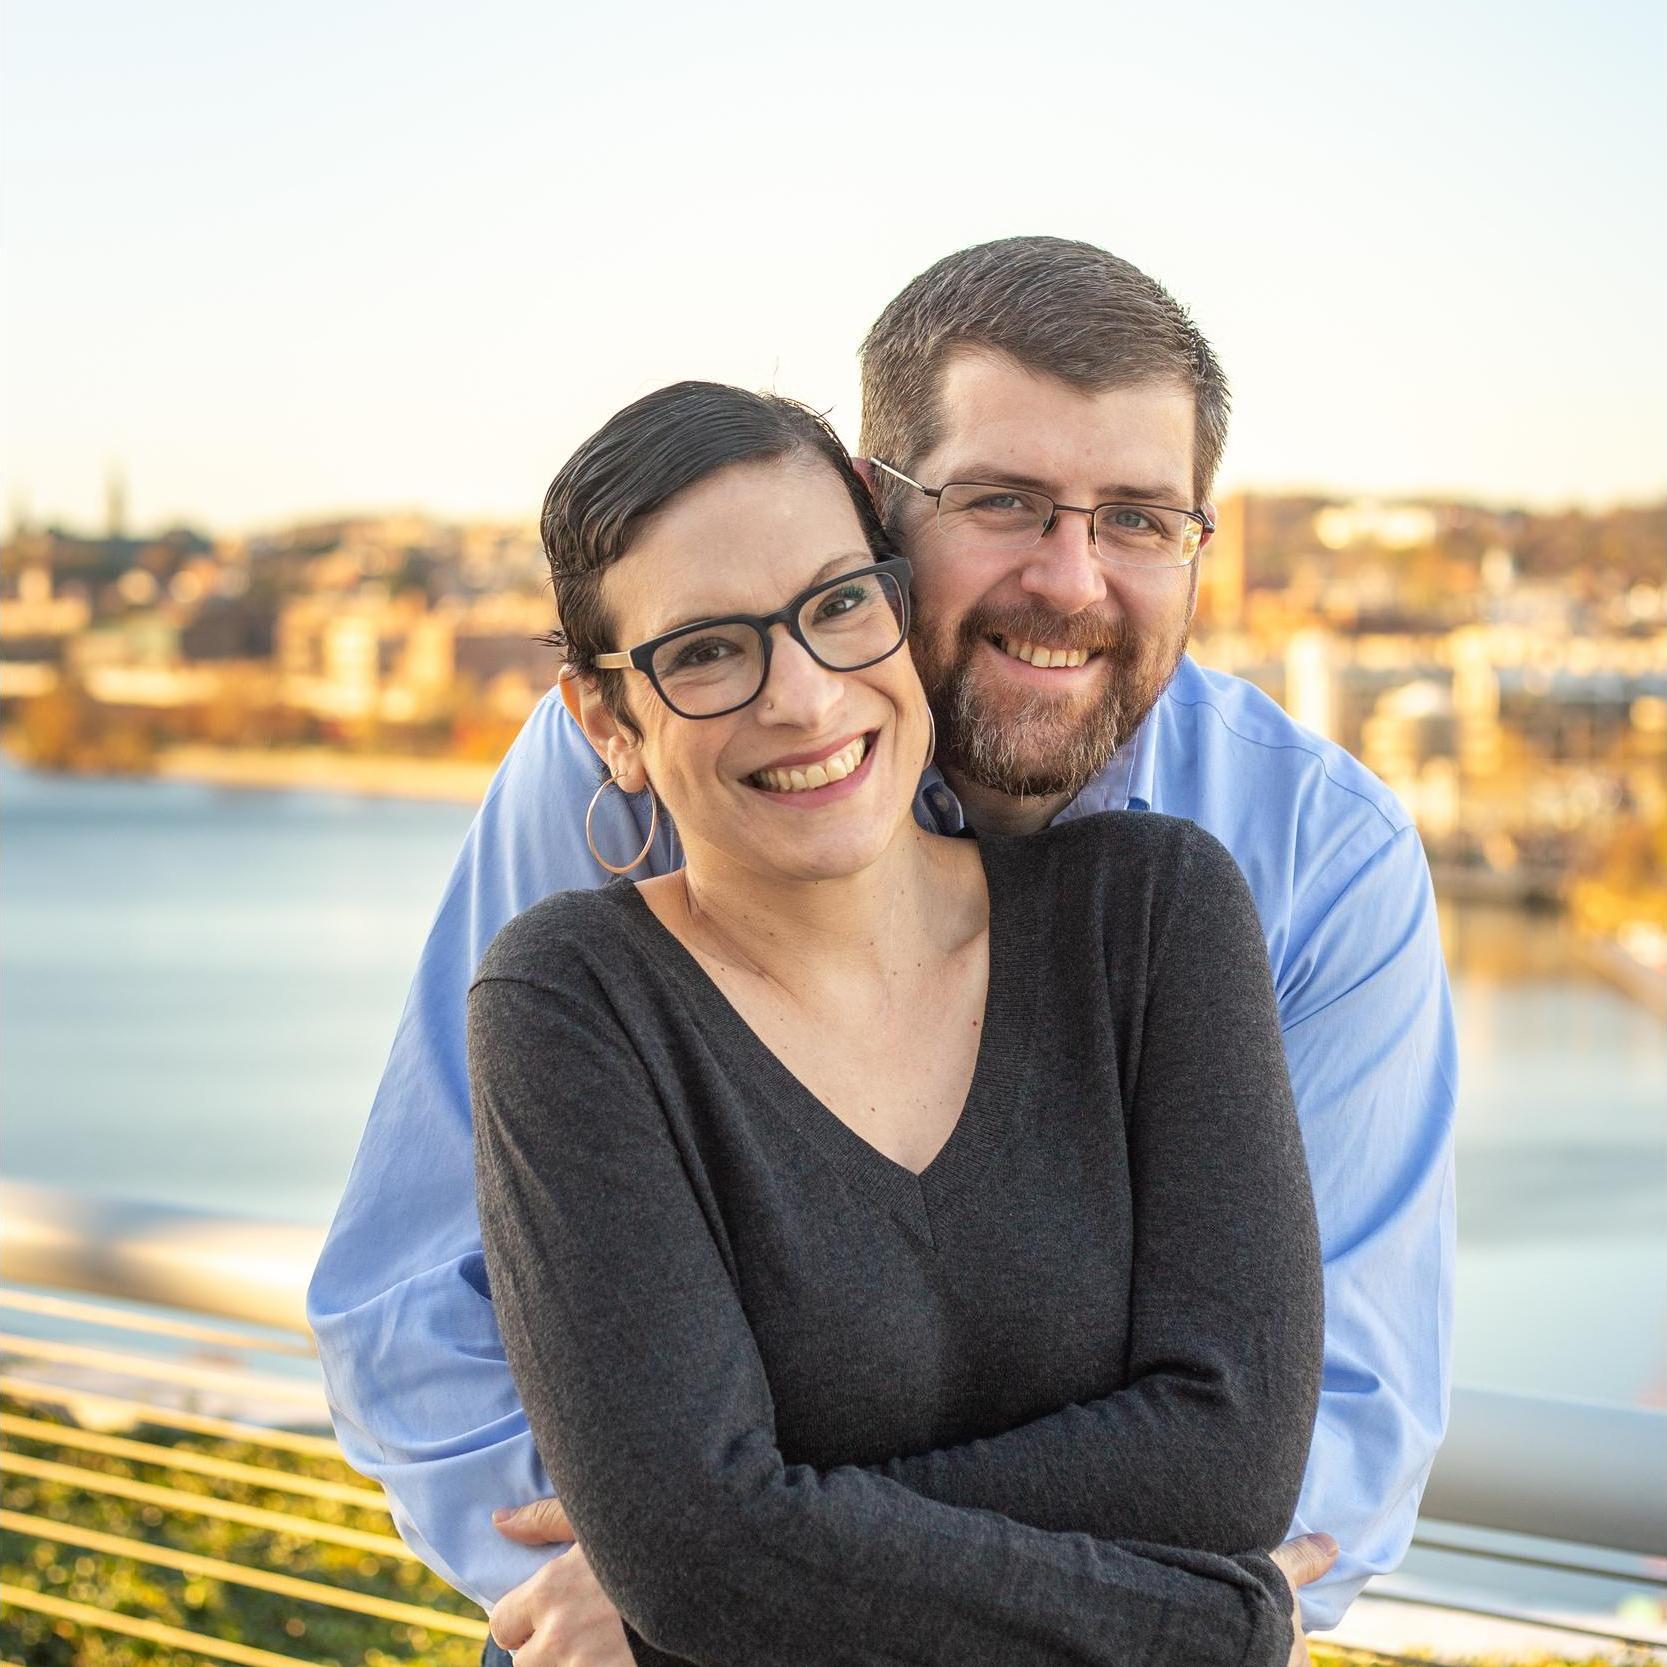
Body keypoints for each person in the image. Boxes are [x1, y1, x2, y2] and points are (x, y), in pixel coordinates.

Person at [307, 236, 1456, 1657]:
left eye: (1144, 520)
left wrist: (724, 1568)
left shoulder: (1302, 860)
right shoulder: (639, 761)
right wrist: (650, 1574)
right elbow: (417, 1318)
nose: (1073, 580)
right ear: (874, 502)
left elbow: (1310, 1444)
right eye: (1005, 502)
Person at [470, 378, 1323, 1667]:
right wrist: (1211, 1626)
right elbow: (695, 1556)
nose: (804, 700)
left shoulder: (1155, 918)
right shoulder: (572, 1003)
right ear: (608, 721)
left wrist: (757, 1546)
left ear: (900, 605)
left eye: (836, 606)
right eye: (704, 649)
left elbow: (1228, 1462)